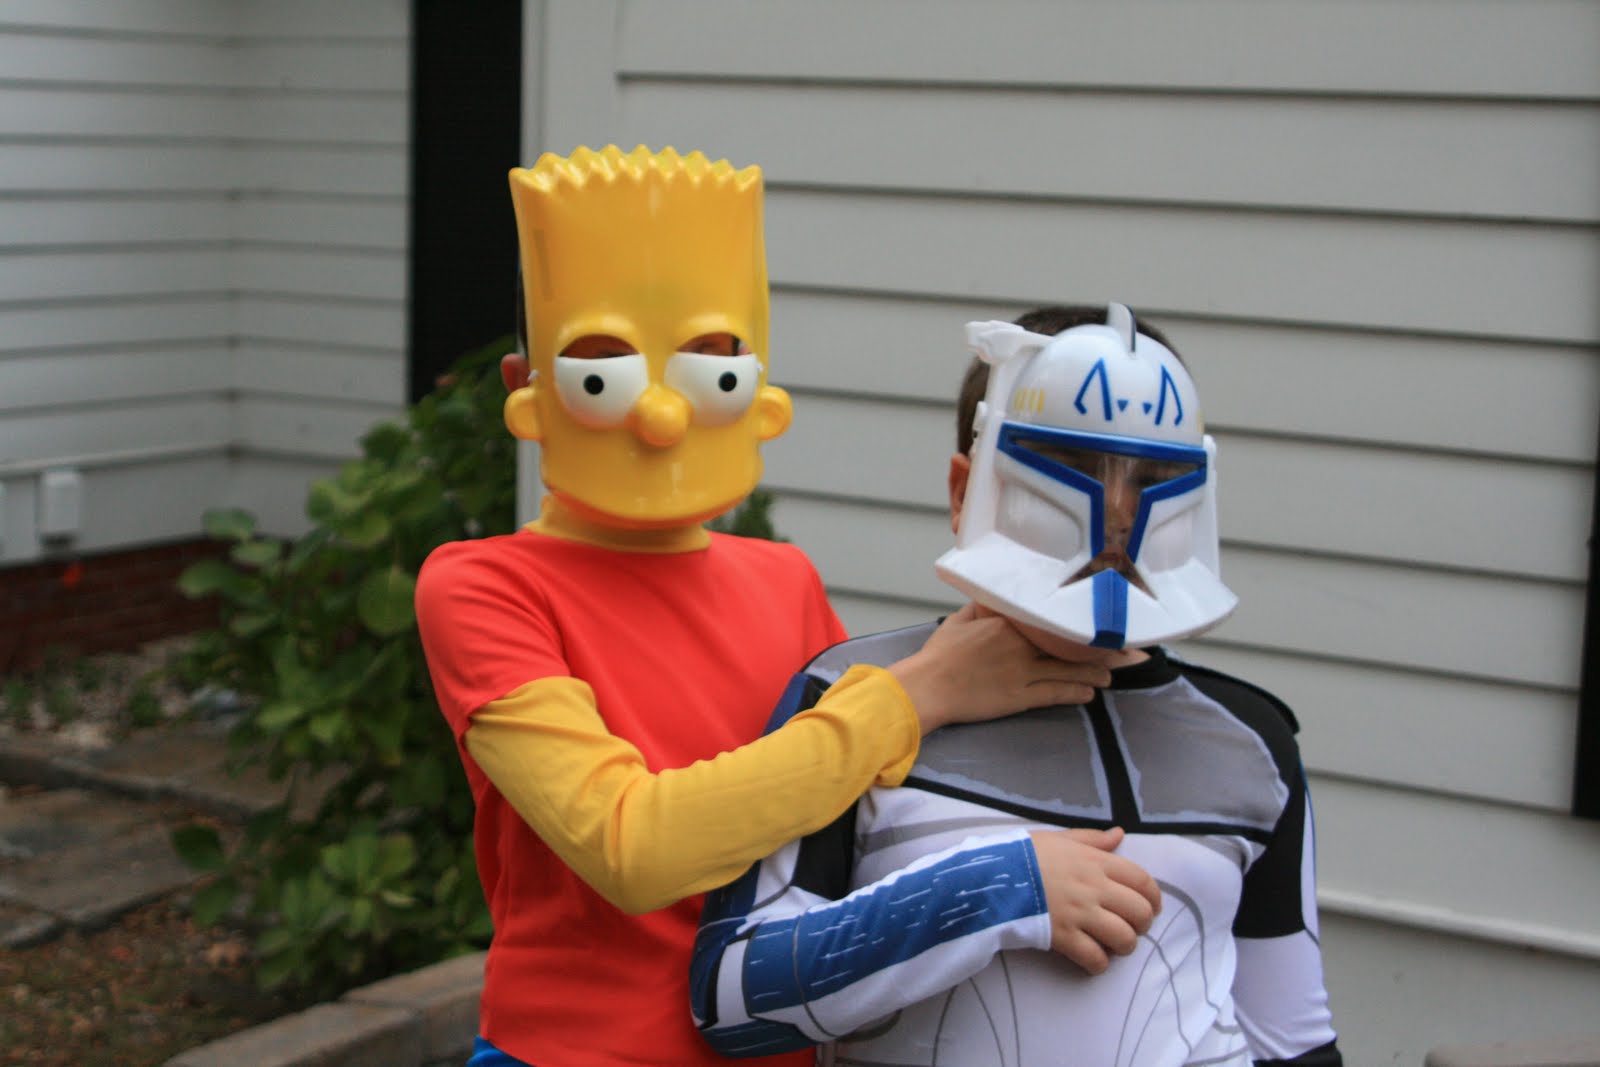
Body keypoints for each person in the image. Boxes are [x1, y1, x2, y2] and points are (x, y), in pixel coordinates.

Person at [413, 147, 1159, 1067]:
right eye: (601, 370)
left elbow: (859, 825)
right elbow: (632, 848)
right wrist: (916, 695)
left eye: (710, 366)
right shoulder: (483, 586)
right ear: (523, 385)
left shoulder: (784, 579)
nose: (661, 415)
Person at [691, 304, 1341, 1066]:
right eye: (1073, 474)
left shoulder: (1251, 742)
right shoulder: (848, 700)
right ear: (964, 490)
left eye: (1147, 484)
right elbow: (730, 995)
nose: (1113, 523)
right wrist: (997, 889)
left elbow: (1294, 1043)